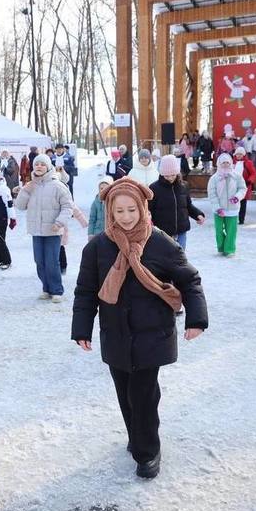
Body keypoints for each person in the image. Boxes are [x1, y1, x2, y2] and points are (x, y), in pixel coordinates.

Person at [71, 177, 208, 479]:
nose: (126, 217)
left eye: (131, 209)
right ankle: (136, 436)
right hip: (116, 334)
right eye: (119, 211)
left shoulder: (161, 242)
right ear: (109, 211)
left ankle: (148, 452)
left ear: (143, 207)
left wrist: (196, 319)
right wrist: (82, 328)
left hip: (152, 335)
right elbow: (85, 290)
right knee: (125, 393)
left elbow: (190, 280)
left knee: (144, 395)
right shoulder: (97, 248)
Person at [15, 154, 74, 302]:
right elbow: (20, 206)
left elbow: (68, 207)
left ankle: (57, 290)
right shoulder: (31, 185)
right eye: (36, 164)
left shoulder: (58, 185)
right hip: (36, 230)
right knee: (39, 261)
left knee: (52, 261)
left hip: (53, 230)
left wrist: (59, 223)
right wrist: (25, 191)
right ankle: (46, 288)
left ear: (48, 167)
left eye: (42, 164)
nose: (39, 166)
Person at [149, 155, 205, 250]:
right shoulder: (154, 188)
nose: (170, 178)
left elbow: (188, 205)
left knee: (180, 256)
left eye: (173, 175)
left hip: (181, 229)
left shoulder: (184, 186)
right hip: (163, 231)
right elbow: (149, 209)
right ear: (161, 173)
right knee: (165, 256)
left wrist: (198, 214)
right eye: (166, 175)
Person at [207, 154, 246, 257]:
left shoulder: (236, 176)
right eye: (223, 163)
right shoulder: (214, 178)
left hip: (233, 209)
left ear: (231, 163)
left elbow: (242, 188)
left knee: (231, 231)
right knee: (219, 231)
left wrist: (237, 197)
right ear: (219, 164)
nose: (225, 165)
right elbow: (212, 194)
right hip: (219, 209)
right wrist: (217, 208)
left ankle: (229, 249)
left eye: (227, 162)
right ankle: (221, 247)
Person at [232, 147, 256, 225]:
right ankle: (233, 218)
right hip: (233, 186)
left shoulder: (248, 163)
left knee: (242, 203)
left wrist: (250, 181)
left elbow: (253, 173)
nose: (239, 156)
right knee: (233, 202)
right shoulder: (232, 163)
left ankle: (241, 219)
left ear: (243, 155)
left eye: (240, 154)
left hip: (244, 185)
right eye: (237, 154)